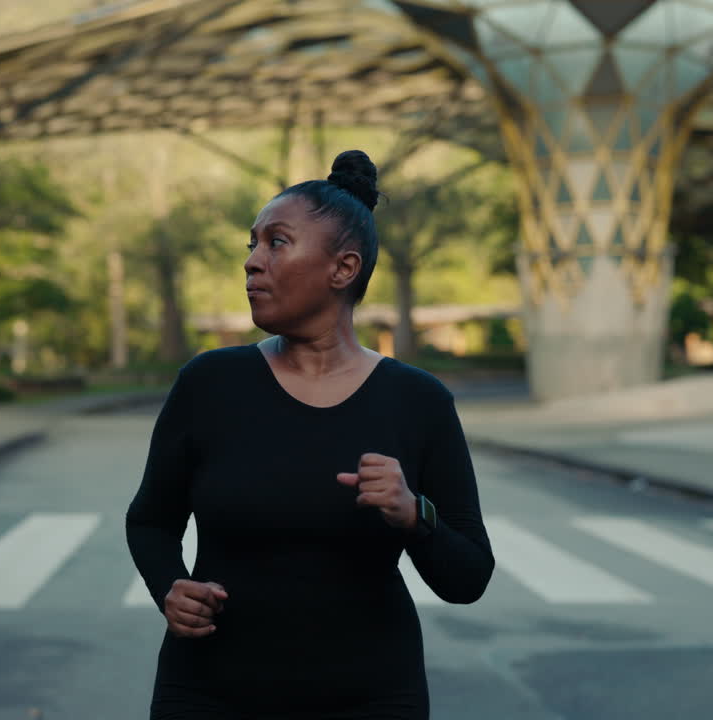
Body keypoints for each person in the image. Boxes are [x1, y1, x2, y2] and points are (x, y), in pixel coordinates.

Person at [125, 149, 495, 719]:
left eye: (276, 242)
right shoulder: (210, 383)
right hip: (207, 692)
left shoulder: (419, 402)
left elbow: (468, 577)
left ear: (343, 269)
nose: (252, 261)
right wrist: (169, 587)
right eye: (251, 243)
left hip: (371, 696)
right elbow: (150, 519)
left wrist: (412, 511)